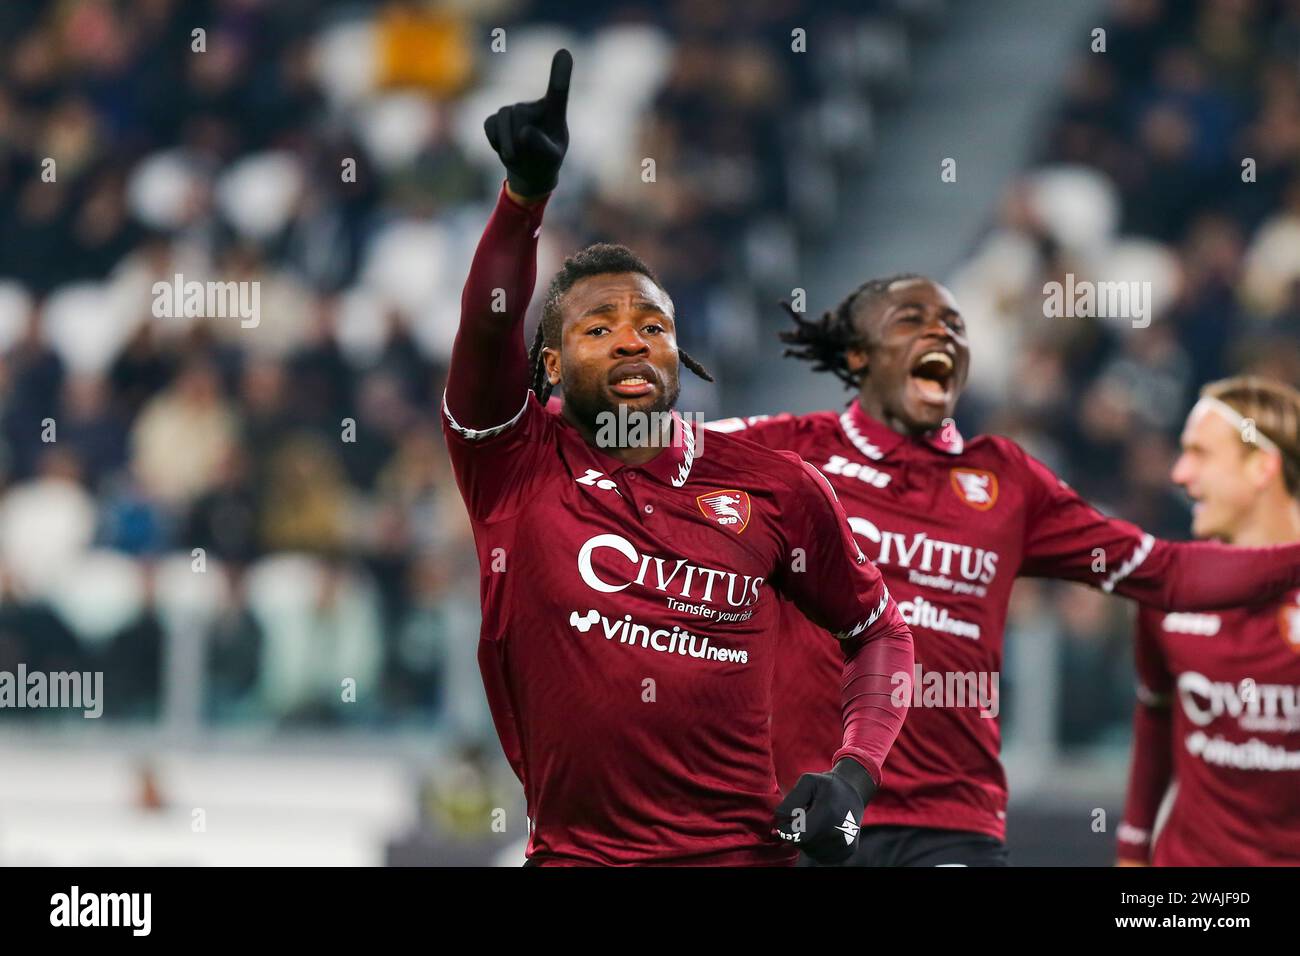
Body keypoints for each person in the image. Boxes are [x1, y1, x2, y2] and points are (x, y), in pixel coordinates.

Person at [443, 50, 914, 866]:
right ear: (549, 366)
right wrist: (523, 199)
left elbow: (880, 634)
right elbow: (488, 326)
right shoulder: (514, 463)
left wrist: (854, 773)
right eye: (597, 328)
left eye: (653, 326)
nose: (631, 337)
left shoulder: (774, 486)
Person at [707, 274, 1300, 866]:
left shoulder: (1008, 482)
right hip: (814, 813)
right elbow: (646, 458)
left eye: (955, 326)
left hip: (951, 822)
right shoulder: (783, 454)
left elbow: (1165, 572)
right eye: (912, 319)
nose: (941, 332)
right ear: (860, 355)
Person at [1117, 377, 1300, 866]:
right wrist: (1132, 851)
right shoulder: (1169, 589)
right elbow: (1154, 715)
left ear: (1262, 467)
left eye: (1200, 453)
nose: (1179, 474)